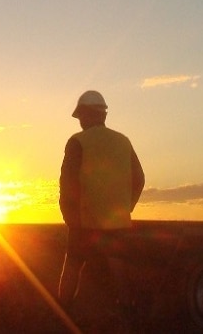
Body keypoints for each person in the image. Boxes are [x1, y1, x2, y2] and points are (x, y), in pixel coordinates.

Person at [57, 90, 145, 328]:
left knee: (73, 265)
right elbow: (139, 179)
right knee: (118, 266)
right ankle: (128, 312)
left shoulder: (77, 142)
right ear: (103, 114)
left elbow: (67, 184)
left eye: (80, 116)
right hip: (116, 221)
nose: (80, 121)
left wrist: (70, 217)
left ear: (86, 115)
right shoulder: (123, 141)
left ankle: (62, 314)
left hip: (83, 222)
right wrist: (126, 208)